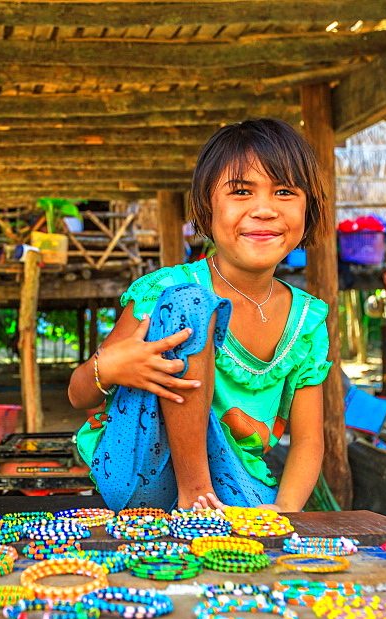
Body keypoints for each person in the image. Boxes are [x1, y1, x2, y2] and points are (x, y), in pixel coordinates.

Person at [69, 118, 333, 513]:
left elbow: (309, 440)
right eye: (241, 192)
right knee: (190, 303)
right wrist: (109, 368)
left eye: (284, 192)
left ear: (308, 207)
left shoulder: (307, 319)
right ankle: (196, 494)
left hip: (235, 486)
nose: (264, 209)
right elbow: (77, 393)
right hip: (140, 472)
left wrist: (285, 515)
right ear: (206, 208)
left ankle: (210, 504)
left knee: (260, 510)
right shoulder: (163, 290)